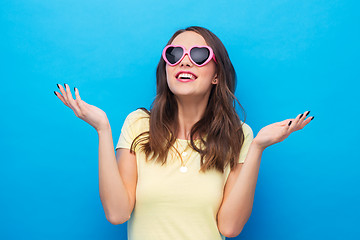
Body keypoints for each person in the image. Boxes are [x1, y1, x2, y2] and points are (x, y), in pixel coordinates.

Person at [54, 26, 314, 240]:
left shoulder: (238, 135)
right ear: (166, 69)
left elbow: (230, 227)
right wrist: (103, 129)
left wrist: (257, 148)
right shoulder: (138, 125)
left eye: (199, 54)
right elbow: (117, 213)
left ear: (216, 75)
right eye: (174, 54)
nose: (185, 60)